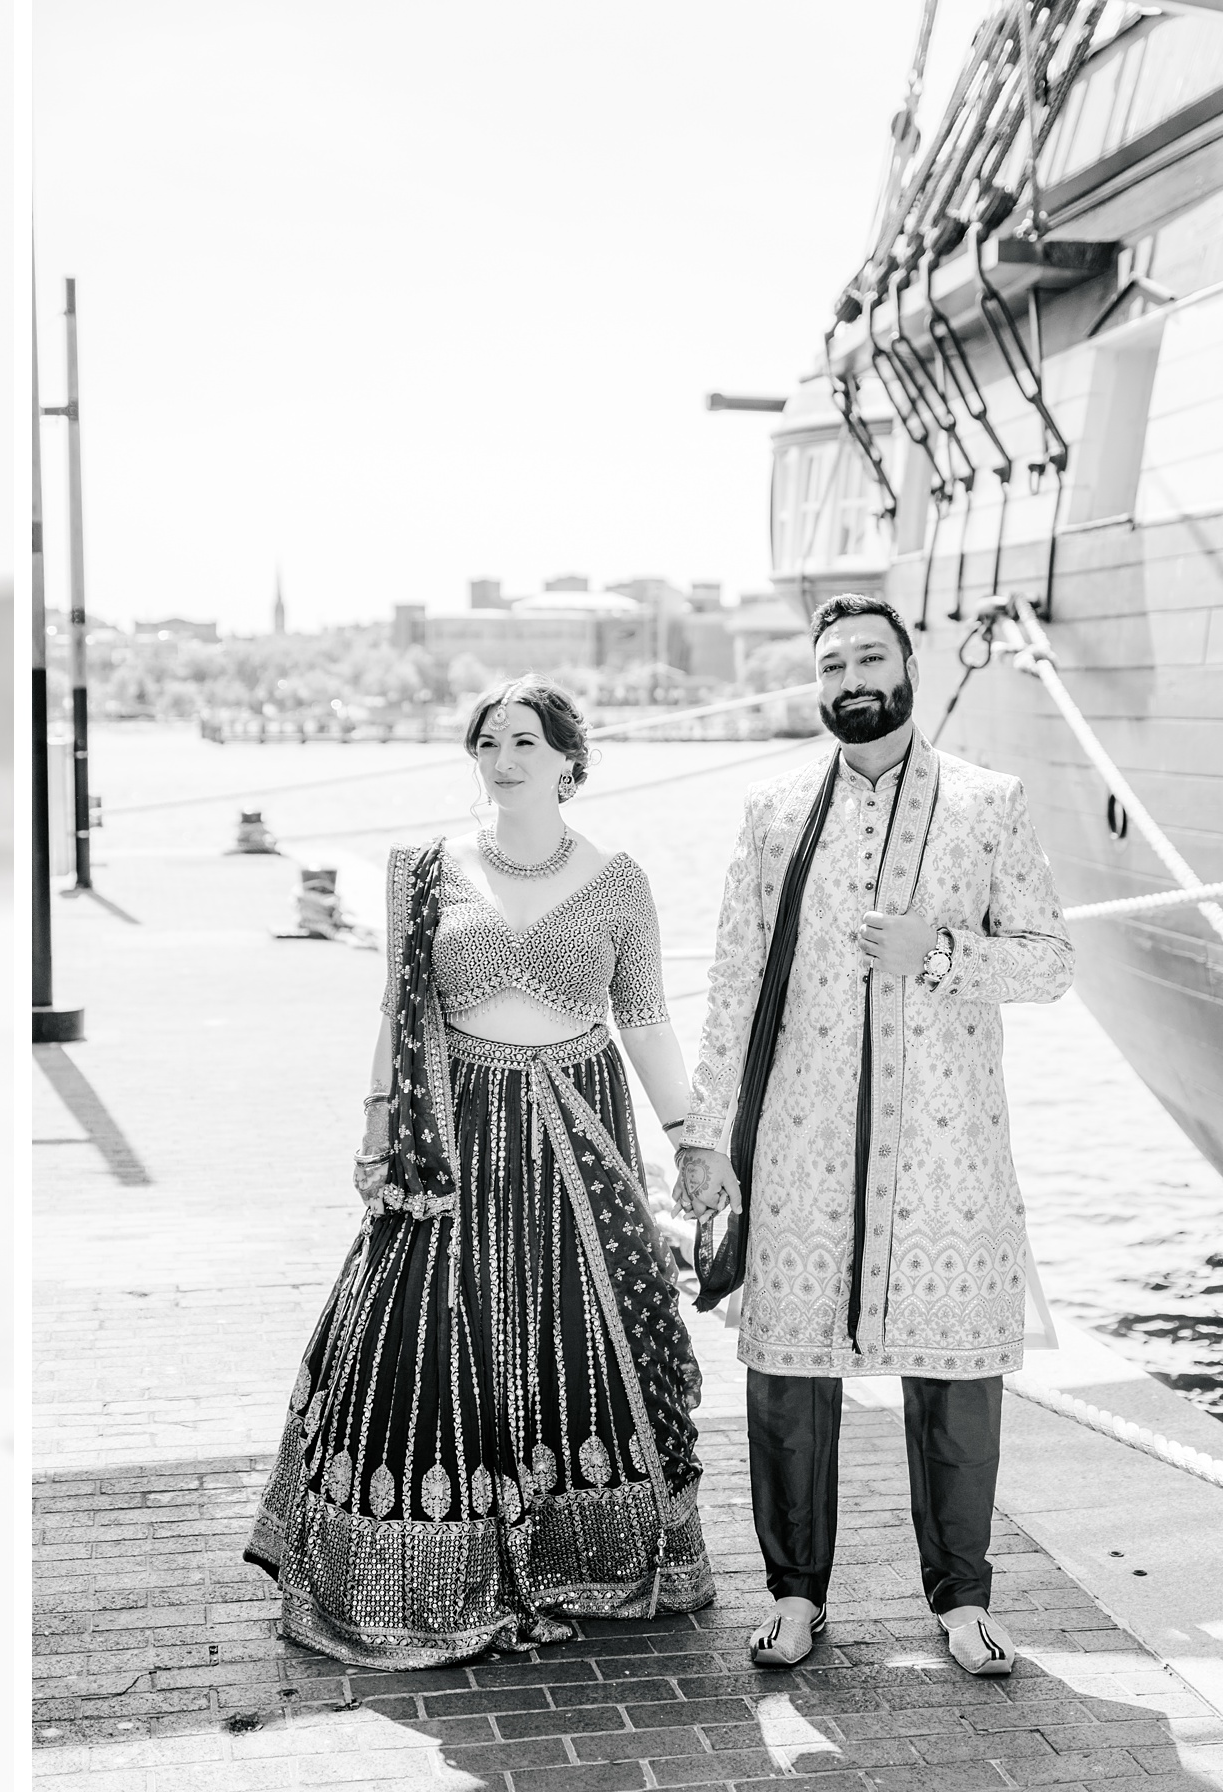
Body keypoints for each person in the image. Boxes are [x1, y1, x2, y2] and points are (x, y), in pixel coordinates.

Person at [247, 674, 713, 1667]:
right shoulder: (426, 870)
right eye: (490, 741)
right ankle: (421, 1573)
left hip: (578, 1142)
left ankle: (586, 1558)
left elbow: (645, 1018)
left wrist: (692, 1137)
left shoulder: (618, 877)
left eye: (527, 743)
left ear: (568, 761)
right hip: (450, 1141)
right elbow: (395, 1013)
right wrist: (377, 1133)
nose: (505, 759)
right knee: (422, 1341)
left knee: (590, 1340)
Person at [674, 592, 1073, 1677]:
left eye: (870, 656)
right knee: (788, 1378)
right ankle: (796, 1598)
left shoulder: (989, 803)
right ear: (820, 682)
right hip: (800, 1145)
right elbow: (734, 982)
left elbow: (1048, 960)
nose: (852, 675)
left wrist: (940, 949)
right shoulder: (773, 809)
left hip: (945, 1150)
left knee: (955, 1380)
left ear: (909, 666)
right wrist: (706, 1137)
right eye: (834, 660)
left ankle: (965, 1604)